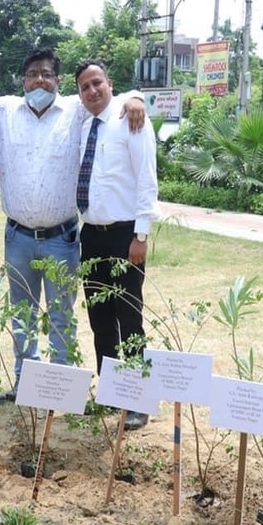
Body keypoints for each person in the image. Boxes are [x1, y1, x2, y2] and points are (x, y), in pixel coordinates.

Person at [0, 48, 146, 400]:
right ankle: (25, 384)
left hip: (62, 238)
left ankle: (61, 385)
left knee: (62, 316)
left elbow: (105, 97)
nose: (39, 80)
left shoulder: (76, 109)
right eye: (32, 74)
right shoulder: (3, 109)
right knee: (22, 317)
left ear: (58, 81)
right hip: (17, 238)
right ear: (23, 80)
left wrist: (135, 98)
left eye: (46, 74)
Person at [75, 60, 163, 430]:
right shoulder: (84, 125)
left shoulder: (132, 119)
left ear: (110, 83)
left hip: (125, 234)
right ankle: (112, 394)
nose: (92, 91)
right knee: (100, 318)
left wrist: (141, 235)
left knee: (129, 316)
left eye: (98, 83)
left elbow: (147, 177)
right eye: (84, 87)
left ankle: (138, 400)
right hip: (91, 234)